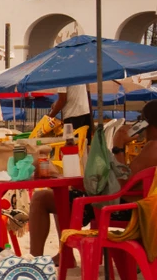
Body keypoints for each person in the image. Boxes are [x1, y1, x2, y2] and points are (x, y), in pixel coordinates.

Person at [25, 101, 157, 256]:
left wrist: (118, 146)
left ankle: (35, 260)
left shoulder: (153, 147)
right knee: (61, 197)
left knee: (41, 198)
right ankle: (64, 255)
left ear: (148, 124)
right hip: (138, 206)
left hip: (123, 208)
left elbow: (123, 182)